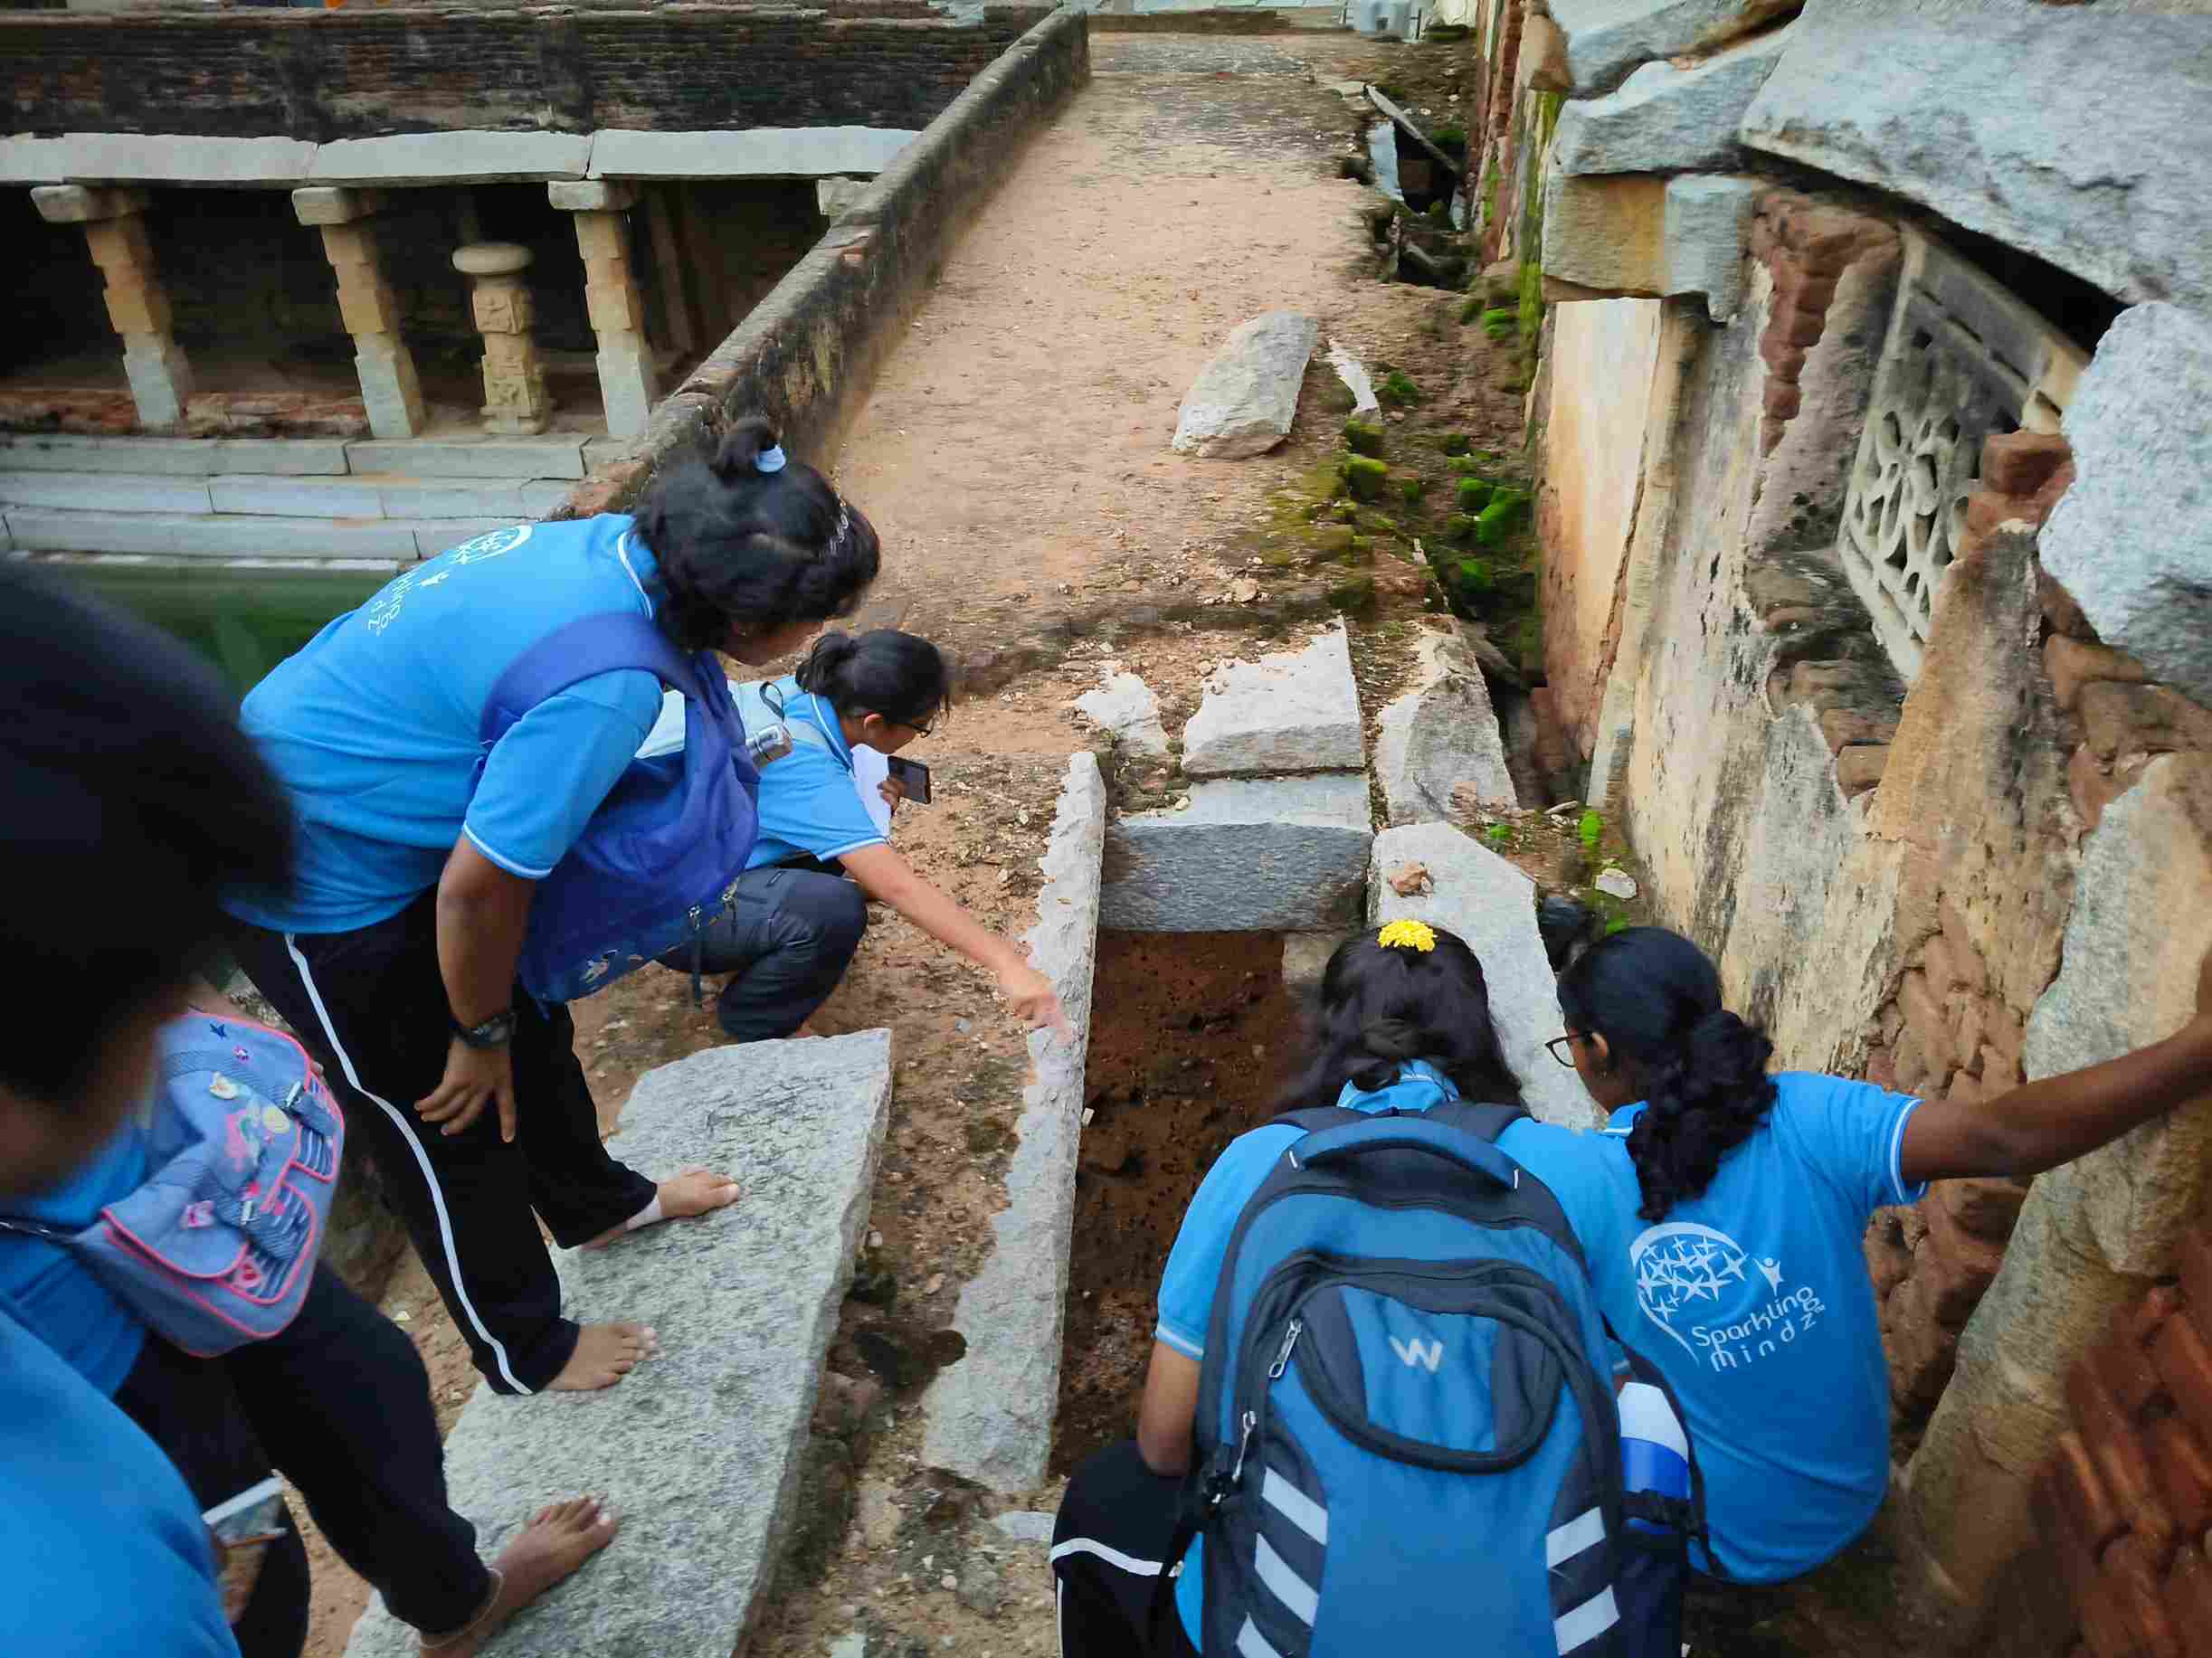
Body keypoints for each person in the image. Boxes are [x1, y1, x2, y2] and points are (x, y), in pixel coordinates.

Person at [0, 565, 614, 1658]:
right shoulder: (85, 1593)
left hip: (188, 1235)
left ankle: (457, 1605)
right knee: (246, 1568)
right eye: (150, 996)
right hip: (81, 1337)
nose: (181, 1048)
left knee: (367, 1387)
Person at [219, 416, 882, 1397]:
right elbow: (481, 888)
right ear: (740, 622)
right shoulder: (605, 685)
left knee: (534, 1029)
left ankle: (598, 1205)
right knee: (446, 1116)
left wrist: (497, 1016)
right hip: (317, 874)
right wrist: (474, 1029)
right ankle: (523, 1348)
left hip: (391, 814)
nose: (816, 639)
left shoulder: (626, 547)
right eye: (812, 618)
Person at [1496, 924, 2212, 1588]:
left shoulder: (1575, 1179)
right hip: (1855, 1493)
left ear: (1595, 1049)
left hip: (1727, 1545)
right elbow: (2003, 1139)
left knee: (1563, 1377)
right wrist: (2198, 1045)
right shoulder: (1806, 1116)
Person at [1051, 924, 1524, 1655]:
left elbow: (1165, 1440)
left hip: (1299, 1613)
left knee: (1107, 1493)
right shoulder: (1554, 1168)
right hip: (1521, 1602)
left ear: (1326, 1028)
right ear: (1477, 1033)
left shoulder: (1259, 1163)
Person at [682, 628, 1064, 1040]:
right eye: (920, 727)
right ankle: (758, 1018)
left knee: (848, 860)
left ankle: (757, 931)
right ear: (874, 722)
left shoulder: (800, 695)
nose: (919, 736)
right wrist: (1008, 965)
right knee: (835, 910)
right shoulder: (804, 768)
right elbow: (900, 889)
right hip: (671, 915)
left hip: (690, 859)